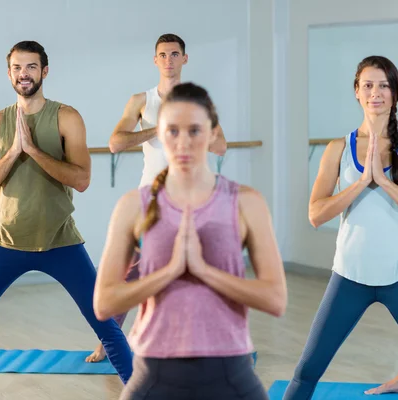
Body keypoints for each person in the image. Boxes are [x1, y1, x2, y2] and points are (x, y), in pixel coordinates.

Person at [0, 40, 134, 400]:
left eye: (32, 67)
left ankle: (141, 389)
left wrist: (34, 151)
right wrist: (12, 154)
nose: (24, 74)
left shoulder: (67, 117)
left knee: (104, 321)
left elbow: (82, 180)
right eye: (18, 68)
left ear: (45, 71)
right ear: (9, 74)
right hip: (7, 242)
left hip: (62, 241)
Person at [93, 82, 287, 400]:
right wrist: (169, 271)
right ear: (160, 134)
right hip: (153, 371)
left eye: (194, 131)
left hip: (230, 370)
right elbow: (104, 303)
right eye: (172, 131)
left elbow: (275, 299)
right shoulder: (133, 206)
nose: (183, 142)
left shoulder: (246, 202)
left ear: (212, 134)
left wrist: (203, 270)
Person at [86, 32, 228, 364]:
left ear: (184, 59)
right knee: (129, 272)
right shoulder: (140, 100)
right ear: (155, 60)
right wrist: (159, 128)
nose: (168, 60)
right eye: (163, 55)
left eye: (174, 54)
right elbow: (115, 143)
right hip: (150, 199)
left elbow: (221, 147)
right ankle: (109, 342)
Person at [283, 55, 398, 399]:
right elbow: (316, 214)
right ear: (357, 92)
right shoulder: (338, 149)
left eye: (384, 85)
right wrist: (358, 184)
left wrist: (384, 183)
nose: (376, 92)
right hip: (349, 278)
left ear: (395, 93)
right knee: (307, 370)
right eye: (368, 85)